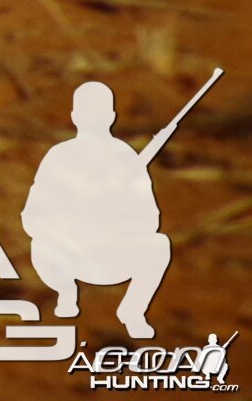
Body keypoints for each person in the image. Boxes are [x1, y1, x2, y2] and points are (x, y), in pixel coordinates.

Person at [24, 80, 174, 338]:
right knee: (40, 245)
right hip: (66, 256)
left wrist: (115, 216)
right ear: (74, 117)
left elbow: (151, 220)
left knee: (159, 245)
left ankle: (133, 311)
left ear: (111, 117)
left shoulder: (126, 158)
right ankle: (66, 293)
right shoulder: (59, 156)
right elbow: (32, 216)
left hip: (113, 255)